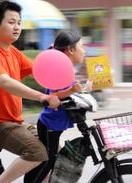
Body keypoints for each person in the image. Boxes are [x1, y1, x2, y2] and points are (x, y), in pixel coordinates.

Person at [0, 1, 60, 183]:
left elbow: (39, 71)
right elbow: (5, 82)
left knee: (54, 147)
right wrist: (42, 97)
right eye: (11, 22)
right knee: (36, 152)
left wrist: (65, 78)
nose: (17, 27)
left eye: (19, 22)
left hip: (13, 122)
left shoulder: (13, 52)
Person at [24, 31, 90, 183]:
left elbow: (67, 91)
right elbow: (53, 95)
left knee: (45, 162)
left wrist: (84, 88)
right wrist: (73, 90)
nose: (84, 50)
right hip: (50, 125)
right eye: (81, 46)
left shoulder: (66, 68)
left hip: (54, 124)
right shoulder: (59, 68)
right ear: (70, 50)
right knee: (48, 162)